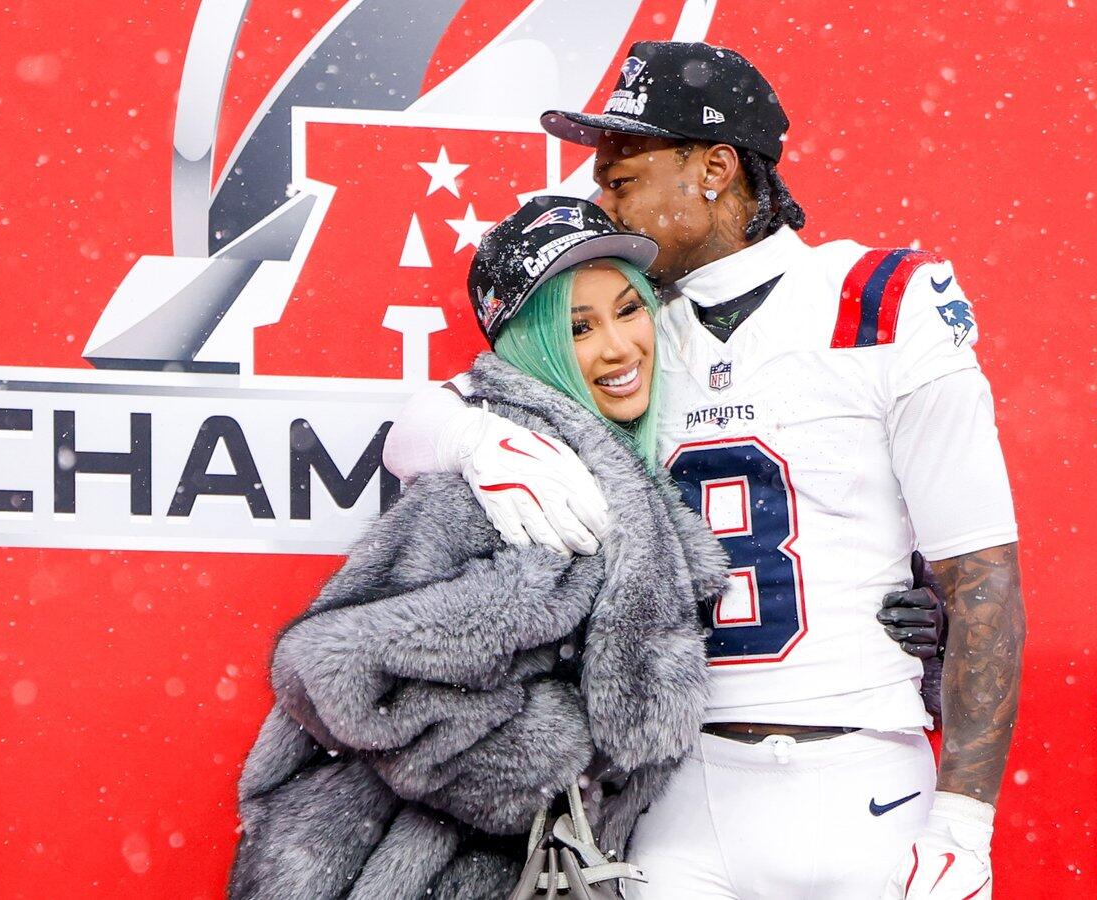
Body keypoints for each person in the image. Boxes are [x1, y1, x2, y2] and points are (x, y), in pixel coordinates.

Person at [384, 41, 1024, 900]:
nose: (602, 202)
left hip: (867, 775)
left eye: (622, 178)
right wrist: (472, 440)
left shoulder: (879, 301)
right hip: (682, 796)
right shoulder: (633, 327)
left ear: (715, 169)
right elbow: (419, 424)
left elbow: (983, 573)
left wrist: (964, 823)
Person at [229, 199, 731, 899]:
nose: (620, 347)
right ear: (532, 345)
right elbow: (337, 667)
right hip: (424, 873)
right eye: (578, 327)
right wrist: (545, 759)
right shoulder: (526, 490)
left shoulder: (611, 461)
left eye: (629, 309)